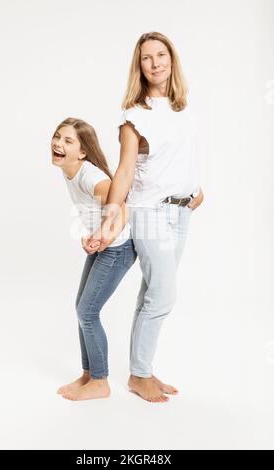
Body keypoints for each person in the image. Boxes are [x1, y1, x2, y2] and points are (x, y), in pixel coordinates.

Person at [87, 32, 204, 403]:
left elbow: (181, 155)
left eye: (161, 55)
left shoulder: (183, 107)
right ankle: (140, 375)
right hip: (150, 213)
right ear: (138, 67)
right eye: (146, 58)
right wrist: (108, 221)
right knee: (163, 296)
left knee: (152, 293)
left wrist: (194, 188)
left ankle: (142, 370)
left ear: (172, 59)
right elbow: (123, 173)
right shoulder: (134, 117)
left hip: (180, 211)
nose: (155, 63)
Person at [51, 117, 137, 401]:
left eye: (68, 140)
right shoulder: (69, 169)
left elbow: (122, 210)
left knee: (88, 312)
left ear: (83, 151)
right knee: (82, 309)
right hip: (104, 245)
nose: (58, 143)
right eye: (57, 137)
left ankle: (100, 382)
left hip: (119, 247)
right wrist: (92, 236)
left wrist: (103, 235)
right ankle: (89, 375)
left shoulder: (91, 177)